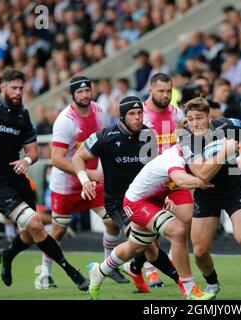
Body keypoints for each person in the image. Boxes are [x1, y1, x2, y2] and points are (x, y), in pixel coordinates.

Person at [0, 69, 88, 290]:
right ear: (1, 87)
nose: (18, 92)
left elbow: (32, 152)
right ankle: (73, 274)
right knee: (35, 224)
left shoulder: (22, 115)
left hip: (17, 178)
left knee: (30, 232)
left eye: (21, 88)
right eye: (13, 87)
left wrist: (28, 162)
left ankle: (7, 255)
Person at [72, 96, 184, 294]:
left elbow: (154, 169)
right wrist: (85, 180)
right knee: (148, 245)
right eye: (132, 114)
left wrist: (164, 196)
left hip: (145, 198)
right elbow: (78, 158)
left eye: (140, 112)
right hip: (118, 203)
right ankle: (183, 282)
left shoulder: (148, 134)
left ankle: (131, 269)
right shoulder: (105, 137)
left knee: (148, 244)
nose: (138, 117)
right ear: (122, 117)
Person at [178, 97, 241, 295]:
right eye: (190, 119)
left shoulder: (226, 125)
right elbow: (202, 174)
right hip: (206, 193)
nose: (194, 123)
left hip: (233, 188)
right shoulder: (186, 138)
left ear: (210, 117)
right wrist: (225, 151)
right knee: (199, 251)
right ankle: (213, 283)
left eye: (199, 118)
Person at [86, 143, 218, 300]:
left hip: (152, 201)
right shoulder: (175, 157)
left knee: (134, 247)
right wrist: (200, 181)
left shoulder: (193, 153)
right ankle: (190, 290)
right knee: (178, 231)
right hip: (137, 203)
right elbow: (180, 180)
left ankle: (99, 271)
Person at [34, 76, 128, 289]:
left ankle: (108, 266)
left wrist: (101, 172)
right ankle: (44, 274)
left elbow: (104, 144)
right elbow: (57, 158)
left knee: (111, 221)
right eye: (80, 92)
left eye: (87, 90)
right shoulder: (65, 120)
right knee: (59, 231)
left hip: (94, 180)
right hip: (67, 184)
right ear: (72, 95)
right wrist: (88, 174)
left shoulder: (100, 112)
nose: (85, 95)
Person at [140, 72, 185, 287]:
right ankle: (149, 269)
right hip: (150, 178)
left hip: (174, 177)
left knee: (187, 219)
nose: (166, 95)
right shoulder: (140, 116)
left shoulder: (177, 114)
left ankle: (170, 259)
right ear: (151, 90)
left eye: (169, 91)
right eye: (161, 91)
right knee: (151, 228)